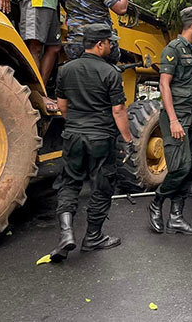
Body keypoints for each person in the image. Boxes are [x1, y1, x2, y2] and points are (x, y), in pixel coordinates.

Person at [50, 24, 134, 262]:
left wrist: (77, 123)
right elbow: (118, 110)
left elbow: (61, 106)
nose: (111, 46)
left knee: (69, 183)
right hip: (100, 137)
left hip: (73, 135)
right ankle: (93, 237)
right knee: (102, 185)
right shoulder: (110, 73)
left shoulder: (66, 70)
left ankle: (66, 233)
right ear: (100, 44)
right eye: (109, 42)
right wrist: (128, 139)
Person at [148, 6, 192, 236]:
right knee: (180, 167)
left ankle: (176, 217)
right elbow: (164, 85)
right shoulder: (172, 49)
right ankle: (157, 202)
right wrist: (173, 120)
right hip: (178, 116)